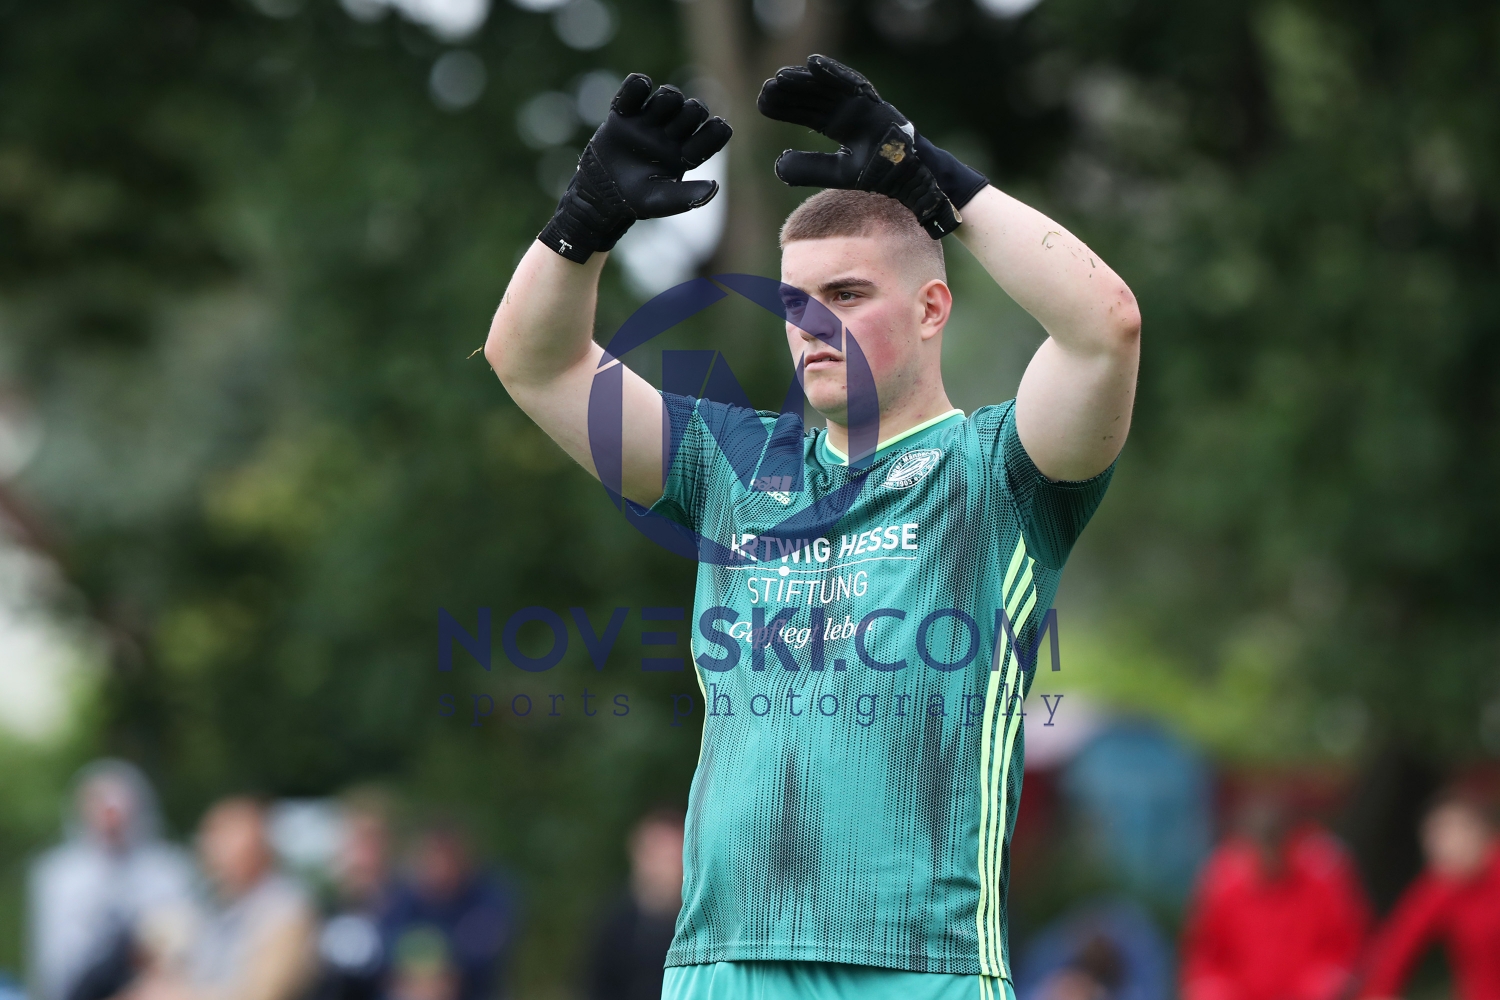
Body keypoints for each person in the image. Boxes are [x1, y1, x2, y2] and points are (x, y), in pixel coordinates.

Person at [486, 51, 1138, 997]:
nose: (812, 327)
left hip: (920, 968)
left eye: (847, 296)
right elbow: (534, 361)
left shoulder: (999, 470)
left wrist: (934, 178)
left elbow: (1104, 327)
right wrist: (583, 219)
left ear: (932, 308)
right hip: (723, 965)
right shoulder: (729, 464)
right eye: (796, 302)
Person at [27, 759, 196, 1000]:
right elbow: (50, 959)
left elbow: (181, 949)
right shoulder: (57, 876)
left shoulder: (169, 871)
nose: (111, 819)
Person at [1181, 795, 1371, 1000]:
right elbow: (1205, 957)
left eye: (1274, 843)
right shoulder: (1222, 885)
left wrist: (1315, 987)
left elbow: (1347, 948)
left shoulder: (1324, 877)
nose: (1268, 855)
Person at [1357, 793, 1500, 1000]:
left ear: (1482, 831)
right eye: (1434, 839)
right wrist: (1379, 990)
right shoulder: (1442, 885)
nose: (1445, 847)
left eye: (1453, 833)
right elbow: (1398, 942)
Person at [379, 823, 518, 1000]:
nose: (439, 867)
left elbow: (483, 952)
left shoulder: (489, 896)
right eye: (432, 859)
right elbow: (387, 947)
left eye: (445, 859)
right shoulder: (403, 898)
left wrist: (442, 973)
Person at [584, 809, 685, 1000]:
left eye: (668, 857)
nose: (659, 868)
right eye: (653, 855)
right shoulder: (614, 924)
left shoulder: (701, 927)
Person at [311, 791, 395, 1000]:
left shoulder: (405, 907)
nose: (363, 856)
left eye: (371, 843)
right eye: (356, 843)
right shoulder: (322, 909)